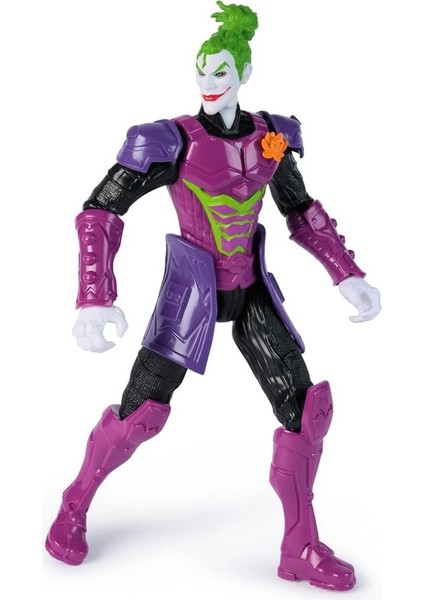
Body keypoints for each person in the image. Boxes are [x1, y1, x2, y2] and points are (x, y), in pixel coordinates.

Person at [45, 2, 381, 591]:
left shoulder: (272, 137)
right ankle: (74, 504)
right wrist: (94, 295)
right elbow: (101, 209)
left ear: (243, 73)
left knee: (306, 413)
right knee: (141, 414)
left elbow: (301, 208)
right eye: (200, 70)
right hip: (191, 294)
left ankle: (300, 547)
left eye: (220, 70)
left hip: (251, 291)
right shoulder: (171, 140)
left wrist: (345, 273)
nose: (208, 81)